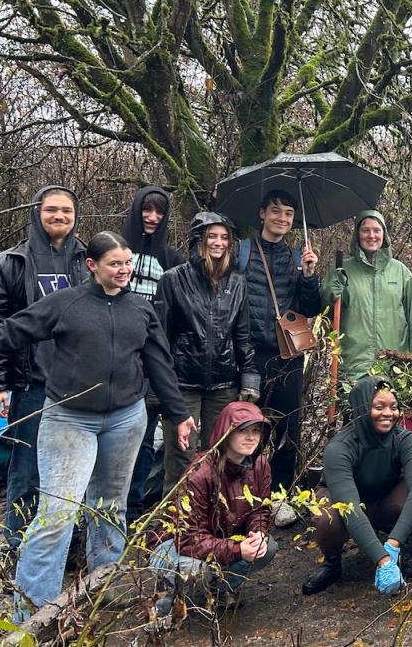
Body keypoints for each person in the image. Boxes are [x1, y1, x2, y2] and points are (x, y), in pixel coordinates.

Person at [0, 231, 194, 616]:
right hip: (68, 419)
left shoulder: (141, 310)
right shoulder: (64, 304)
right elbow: (3, 333)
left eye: (127, 262)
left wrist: (177, 415)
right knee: (57, 515)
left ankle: (105, 584)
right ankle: (31, 609)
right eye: (115, 263)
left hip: (126, 419)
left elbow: (160, 365)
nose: (124, 270)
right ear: (92, 266)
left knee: (110, 507)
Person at [0, 186, 88, 559]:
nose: (60, 217)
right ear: (37, 212)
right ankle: (17, 547)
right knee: (26, 470)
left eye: (67, 212)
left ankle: (67, 545)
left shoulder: (87, 260)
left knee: (73, 469)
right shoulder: (11, 263)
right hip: (32, 384)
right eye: (52, 210)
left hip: (76, 385)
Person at [301, 376, 412, 596]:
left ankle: (399, 546)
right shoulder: (340, 448)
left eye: (393, 407)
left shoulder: (404, 439)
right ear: (361, 408)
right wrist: (382, 560)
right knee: (325, 516)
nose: (388, 413)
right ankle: (332, 563)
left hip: (384, 499)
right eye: (379, 407)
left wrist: (393, 544)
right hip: (347, 504)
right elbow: (350, 506)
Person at [156, 212, 260, 493]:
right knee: (181, 457)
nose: (218, 242)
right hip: (182, 383)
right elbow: (161, 338)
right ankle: (174, 526)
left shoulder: (237, 282)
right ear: (198, 240)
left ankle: (213, 522)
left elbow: (243, 336)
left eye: (224, 237)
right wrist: (161, 387)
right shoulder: (173, 280)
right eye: (211, 236)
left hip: (224, 383)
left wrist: (249, 379)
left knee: (221, 454)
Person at [237, 189, 320, 524]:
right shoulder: (242, 252)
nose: (282, 218)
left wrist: (310, 276)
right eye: (275, 211)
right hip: (251, 354)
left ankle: (279, 495)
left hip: (288, 354)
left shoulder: (297, 256)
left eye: (288, 213)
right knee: (247, 426)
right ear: (262, 214)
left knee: (289, 427)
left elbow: (309, 309)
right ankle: (244, 494)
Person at [150, 401, 276, 617]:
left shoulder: (260, 464)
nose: (251, 437)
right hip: (173, 546)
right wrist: (237, 550)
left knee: (267, 547)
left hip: (220, 537)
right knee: (190, 569)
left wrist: (258, 534)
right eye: (242, 430)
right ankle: (165, 605)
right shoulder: (200, 472)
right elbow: (188, 539)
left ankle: (220, 590)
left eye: (256, 430)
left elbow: (259, 509)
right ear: (226, 433)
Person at [122, 186, 186, 522]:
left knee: (144, 439)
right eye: (147, 210)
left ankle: (133, 508)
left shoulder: (171, 260)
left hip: (154, 361)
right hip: (116, 357)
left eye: (159, 212)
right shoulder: (117, 250)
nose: (152, 217)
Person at [322, 209, 412, 383]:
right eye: (365, 230)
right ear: (357, 235)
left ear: (384, 234)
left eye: (377, 230)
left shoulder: (401, 272)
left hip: (394, 367)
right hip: (353, 366)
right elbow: (327, 313)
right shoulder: (342, 271)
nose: (371, 235)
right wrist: (331, 290)